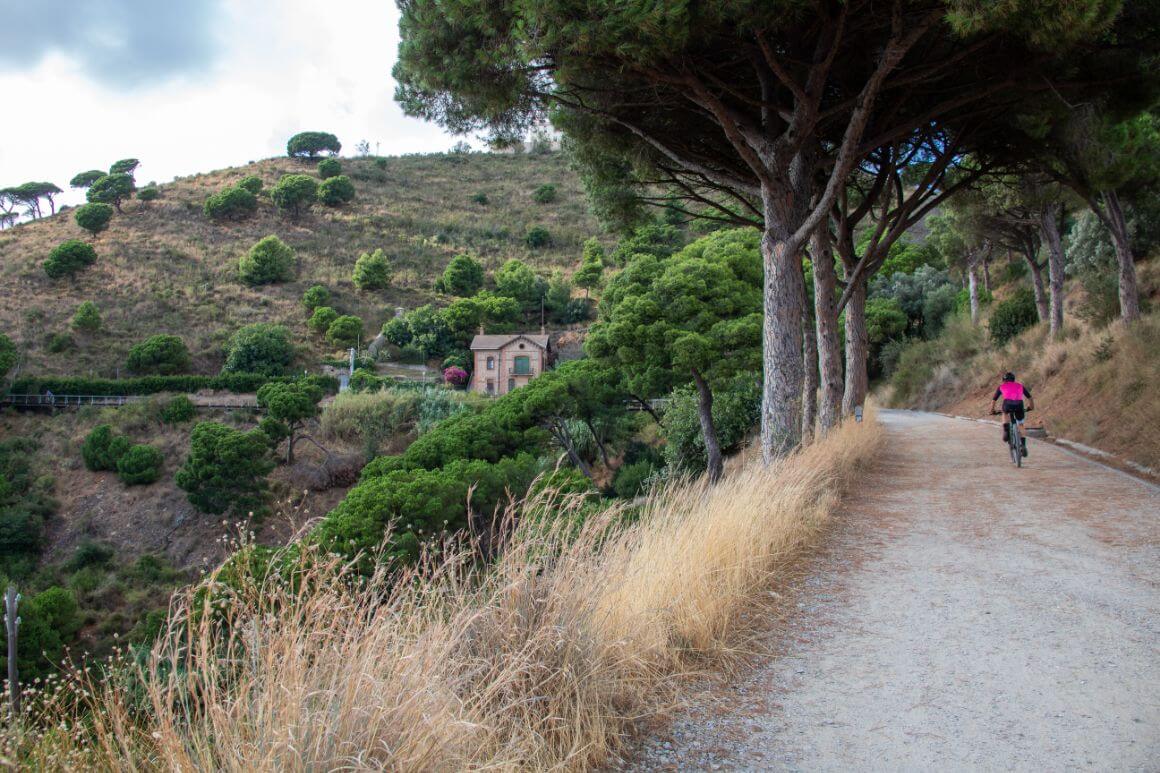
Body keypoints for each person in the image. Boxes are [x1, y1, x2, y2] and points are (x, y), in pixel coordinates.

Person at [990, 372, 1034, 457]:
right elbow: (1030, 397)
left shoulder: (1001, 386)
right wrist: (1031, 407)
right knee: (1020, 425)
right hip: (1019, 404)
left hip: (1008, 404)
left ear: (1004, 380)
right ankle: (1023, 445)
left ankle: (1006, 430)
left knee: (1004, 413)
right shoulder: (1020, 386)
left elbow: (994, 400)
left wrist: (992, 410)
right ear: (1014, 379)